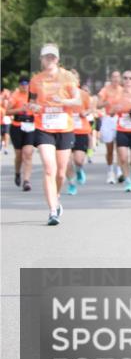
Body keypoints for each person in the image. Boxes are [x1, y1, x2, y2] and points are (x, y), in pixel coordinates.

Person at [27, 44, 81, 226]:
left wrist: (63, 101)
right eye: (46, 57)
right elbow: (32, 102)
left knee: (60, 173)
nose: (49, 60)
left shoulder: (68, 77)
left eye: (52, 57)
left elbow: (78, 100)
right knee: (49, 168)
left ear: (57, 59)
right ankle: (52, 211)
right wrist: (33, 107)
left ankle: (56, 196)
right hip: (44, 127)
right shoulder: (36, 80)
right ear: (41, 59)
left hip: (64, 128)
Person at [64, 70, 92, 196]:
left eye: (74, 80)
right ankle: (71, 183)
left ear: (78, 82)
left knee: (79, 160)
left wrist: (85, 113)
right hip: (65, 130)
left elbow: (90, 107)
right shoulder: (62, 95)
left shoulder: (83, 95)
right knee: (66, 160)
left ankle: (79, 170)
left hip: (81, 130)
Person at [6, 76, 37, 191]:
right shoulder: (15, 95)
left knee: (28, 153)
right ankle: (17, 173)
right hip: (17, 126)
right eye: (23, 84)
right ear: (19, 85)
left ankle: (26, 181)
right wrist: (19, 110)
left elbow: (40, 109)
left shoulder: (34, 96)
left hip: (30, 126)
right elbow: (7, 112)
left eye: (26, 83)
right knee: (19, 155)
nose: (25, 86)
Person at [96, 70, 124, 184]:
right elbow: (98, 105)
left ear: (120, 79)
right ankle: (110, 171)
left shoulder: (123, 91)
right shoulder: (105, 90)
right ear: (110, 78)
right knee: (110, 149)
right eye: (113, 77)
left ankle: (119, 171)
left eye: (118, 77)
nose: (116, 79)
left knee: (120, 147)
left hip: (120, 119)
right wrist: (105, 103)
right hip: (108, 119)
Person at [1, 86, 10, 154]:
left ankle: (6, 148)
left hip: (6, 117)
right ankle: (2, 144)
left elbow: (7, 105)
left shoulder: (6, 93)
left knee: (6, 133)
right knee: (2, 134)